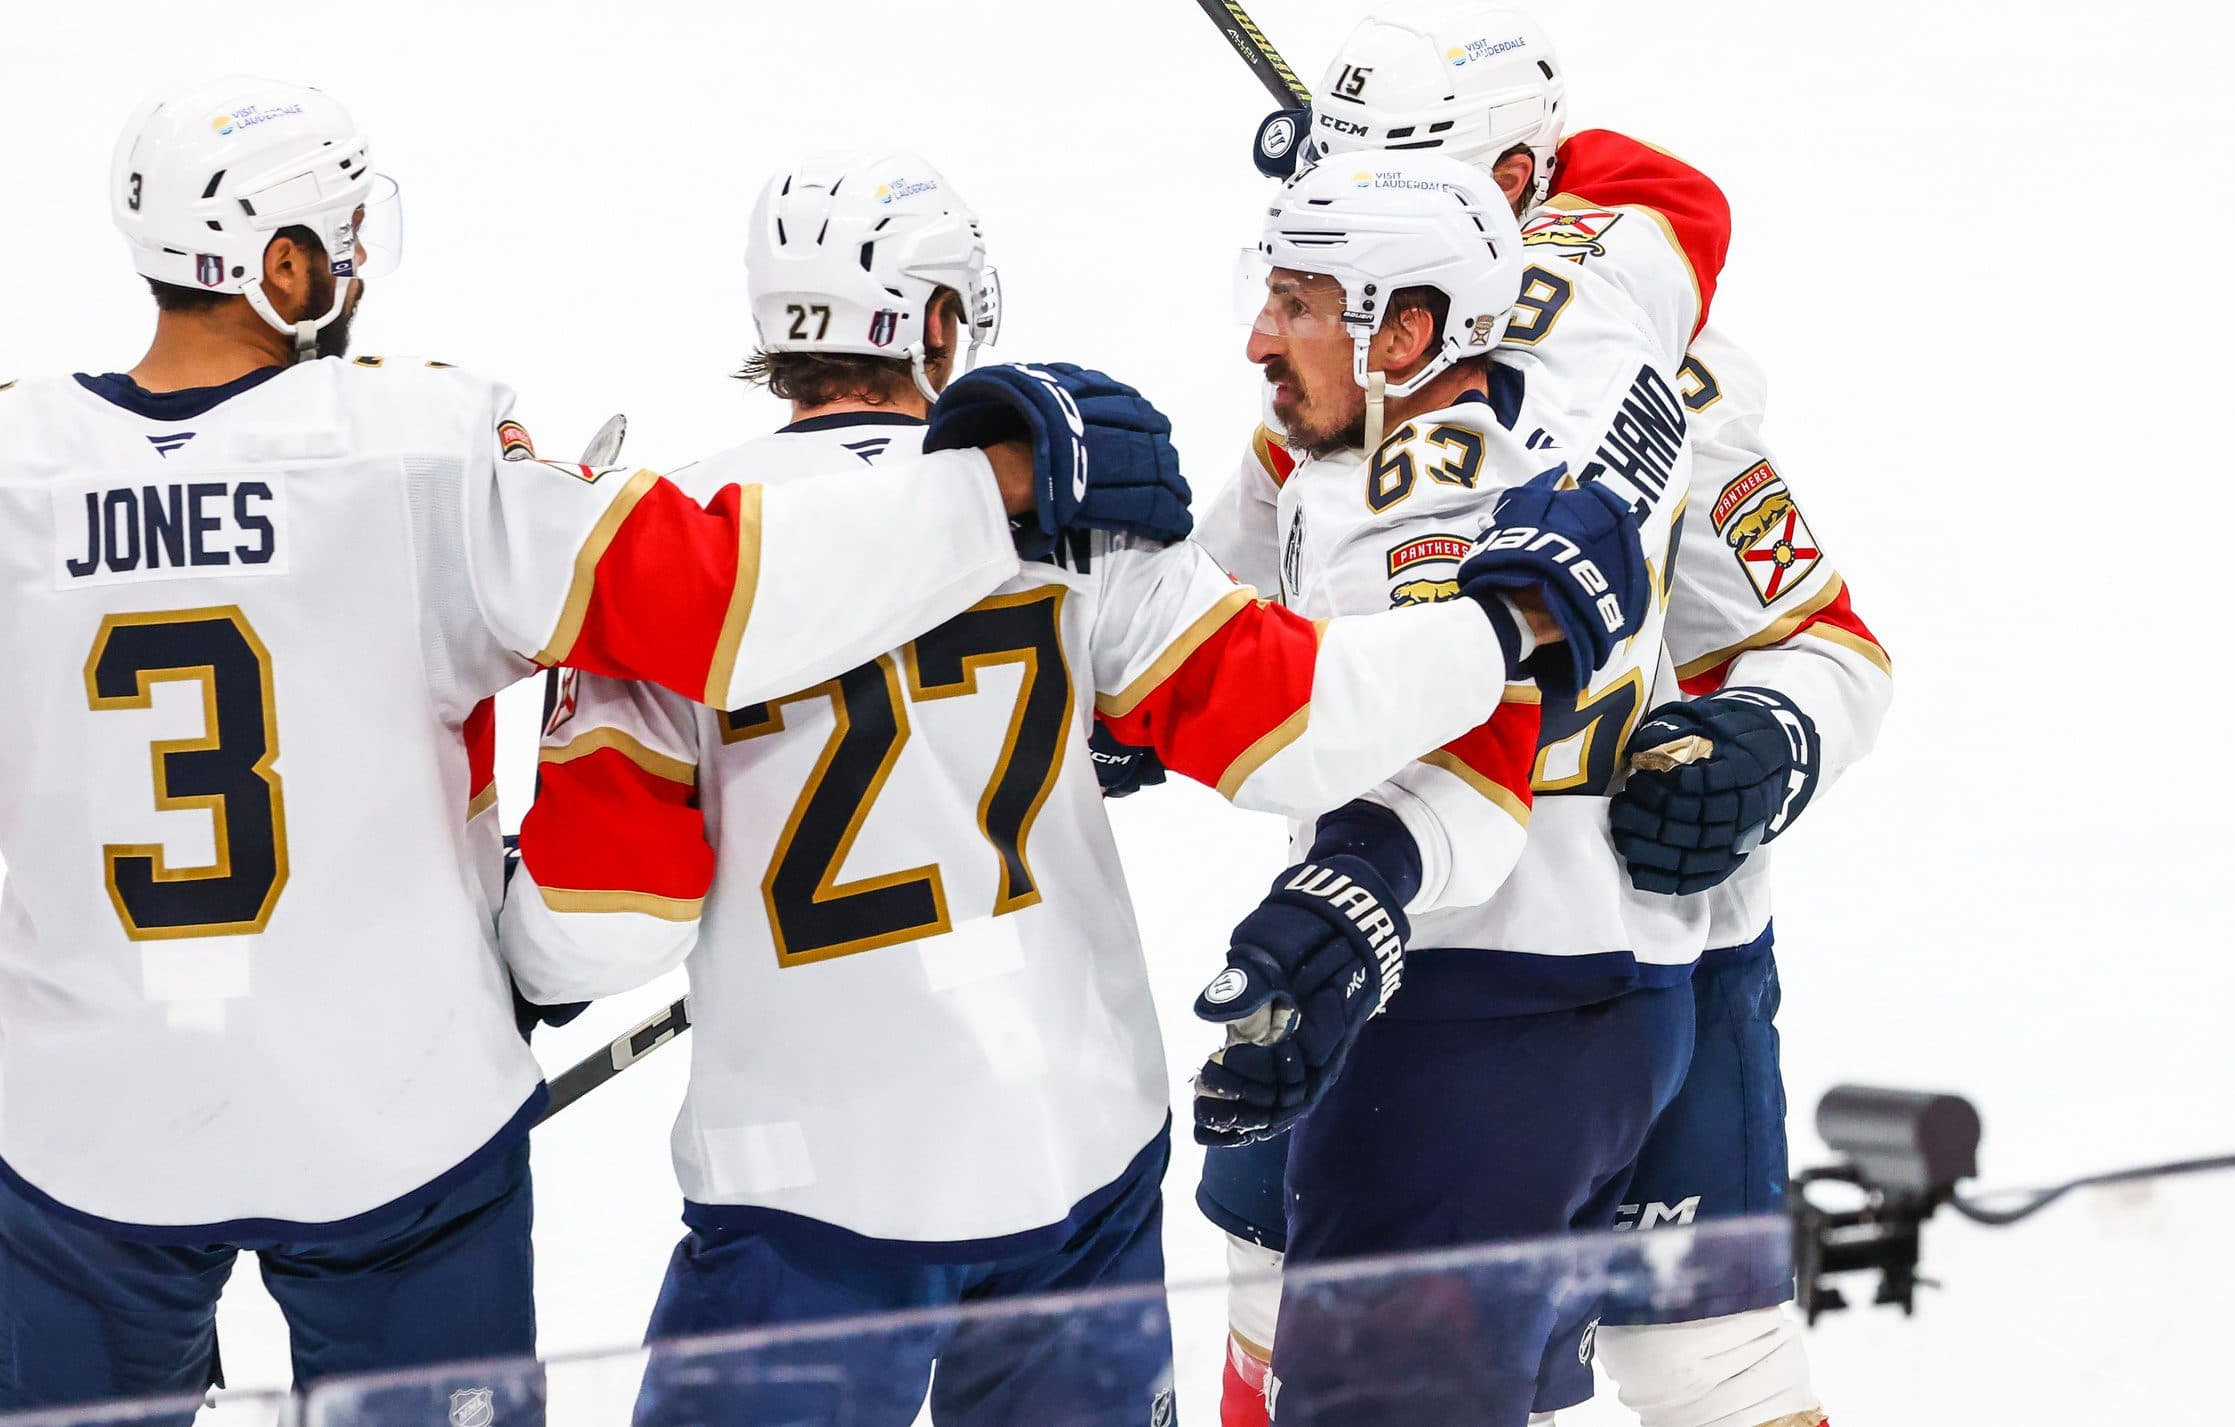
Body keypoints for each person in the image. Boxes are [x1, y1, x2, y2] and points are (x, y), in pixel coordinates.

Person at [0, 79, 1186, 1418]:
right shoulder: (420, 448)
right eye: (341, 233)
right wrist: (997, 490)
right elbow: (717, 598)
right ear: (287, 267)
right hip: (393, 1128)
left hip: (79, 1135)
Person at [499, 150, 1650, 1427]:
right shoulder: (1075, 513)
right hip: (1078, 1144)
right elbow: (1305, 725)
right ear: (943, 322)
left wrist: (513, 958)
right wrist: (1505, 626)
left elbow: (608, 915)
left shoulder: (663, 545)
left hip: (807, 1180)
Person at [1178, 0, 1891, 1427]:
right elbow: (1205, 617)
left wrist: (1769, 739)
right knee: (1276, 1301)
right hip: (1382, 959)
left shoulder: (1655, 382)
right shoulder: (1309, 411)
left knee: (1713, 1364)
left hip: (1653, 953)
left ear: (1507, 194)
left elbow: (1824, 638)